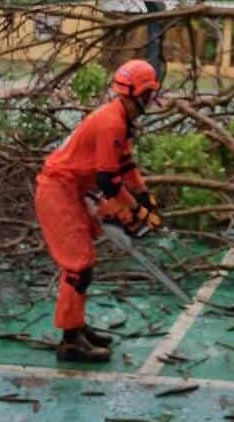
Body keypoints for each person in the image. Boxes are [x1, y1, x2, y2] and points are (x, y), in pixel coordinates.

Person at [34, 59, 162, 363]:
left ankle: (76, 326)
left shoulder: (122, 120)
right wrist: (132, 211)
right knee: (78, 265)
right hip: (58, 190)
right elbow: (108, 179)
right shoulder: (111, 121)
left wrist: (144, 197)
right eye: (149, 95)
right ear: (141, 94)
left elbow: (125, 166)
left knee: (85, 262)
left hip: (72, 189)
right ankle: (70, 340)